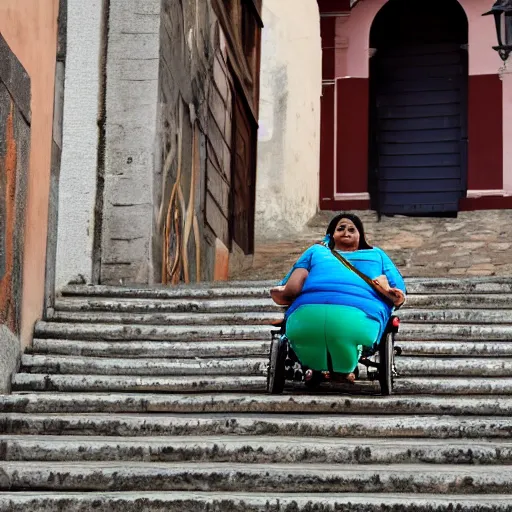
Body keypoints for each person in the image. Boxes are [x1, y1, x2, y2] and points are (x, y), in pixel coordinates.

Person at [270, 212, 406, 382]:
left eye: (351, 229)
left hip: (306, 317)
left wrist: (277, 294)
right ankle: (345, 369)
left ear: (360, 235)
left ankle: (313, 369)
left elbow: (290, 288)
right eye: (341, 228)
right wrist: (394, 296)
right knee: (348, 332)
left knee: (308, 330)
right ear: (331, 235)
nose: (346, 232)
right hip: (361, 319)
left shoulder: (315, 251)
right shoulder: (377, 255)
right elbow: (399, 290)